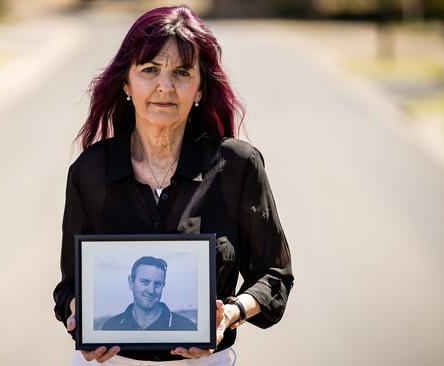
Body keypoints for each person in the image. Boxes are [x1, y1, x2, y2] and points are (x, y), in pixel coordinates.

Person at [53, 5, 294, 365]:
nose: (165, 86)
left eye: (182, 72)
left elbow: (274, 275)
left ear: (199, 89)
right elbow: (70, 286)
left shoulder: (237, 167)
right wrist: (79, 317)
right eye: (149, 70)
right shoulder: (90, 171)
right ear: (126, 84)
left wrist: (231, 313)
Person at [101, 256, 197, 331]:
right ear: (131, 282)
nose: (151, 291)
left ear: (163, 285)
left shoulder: (186, 327)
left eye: (158, 284)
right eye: (145, 282)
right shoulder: (110, 326)